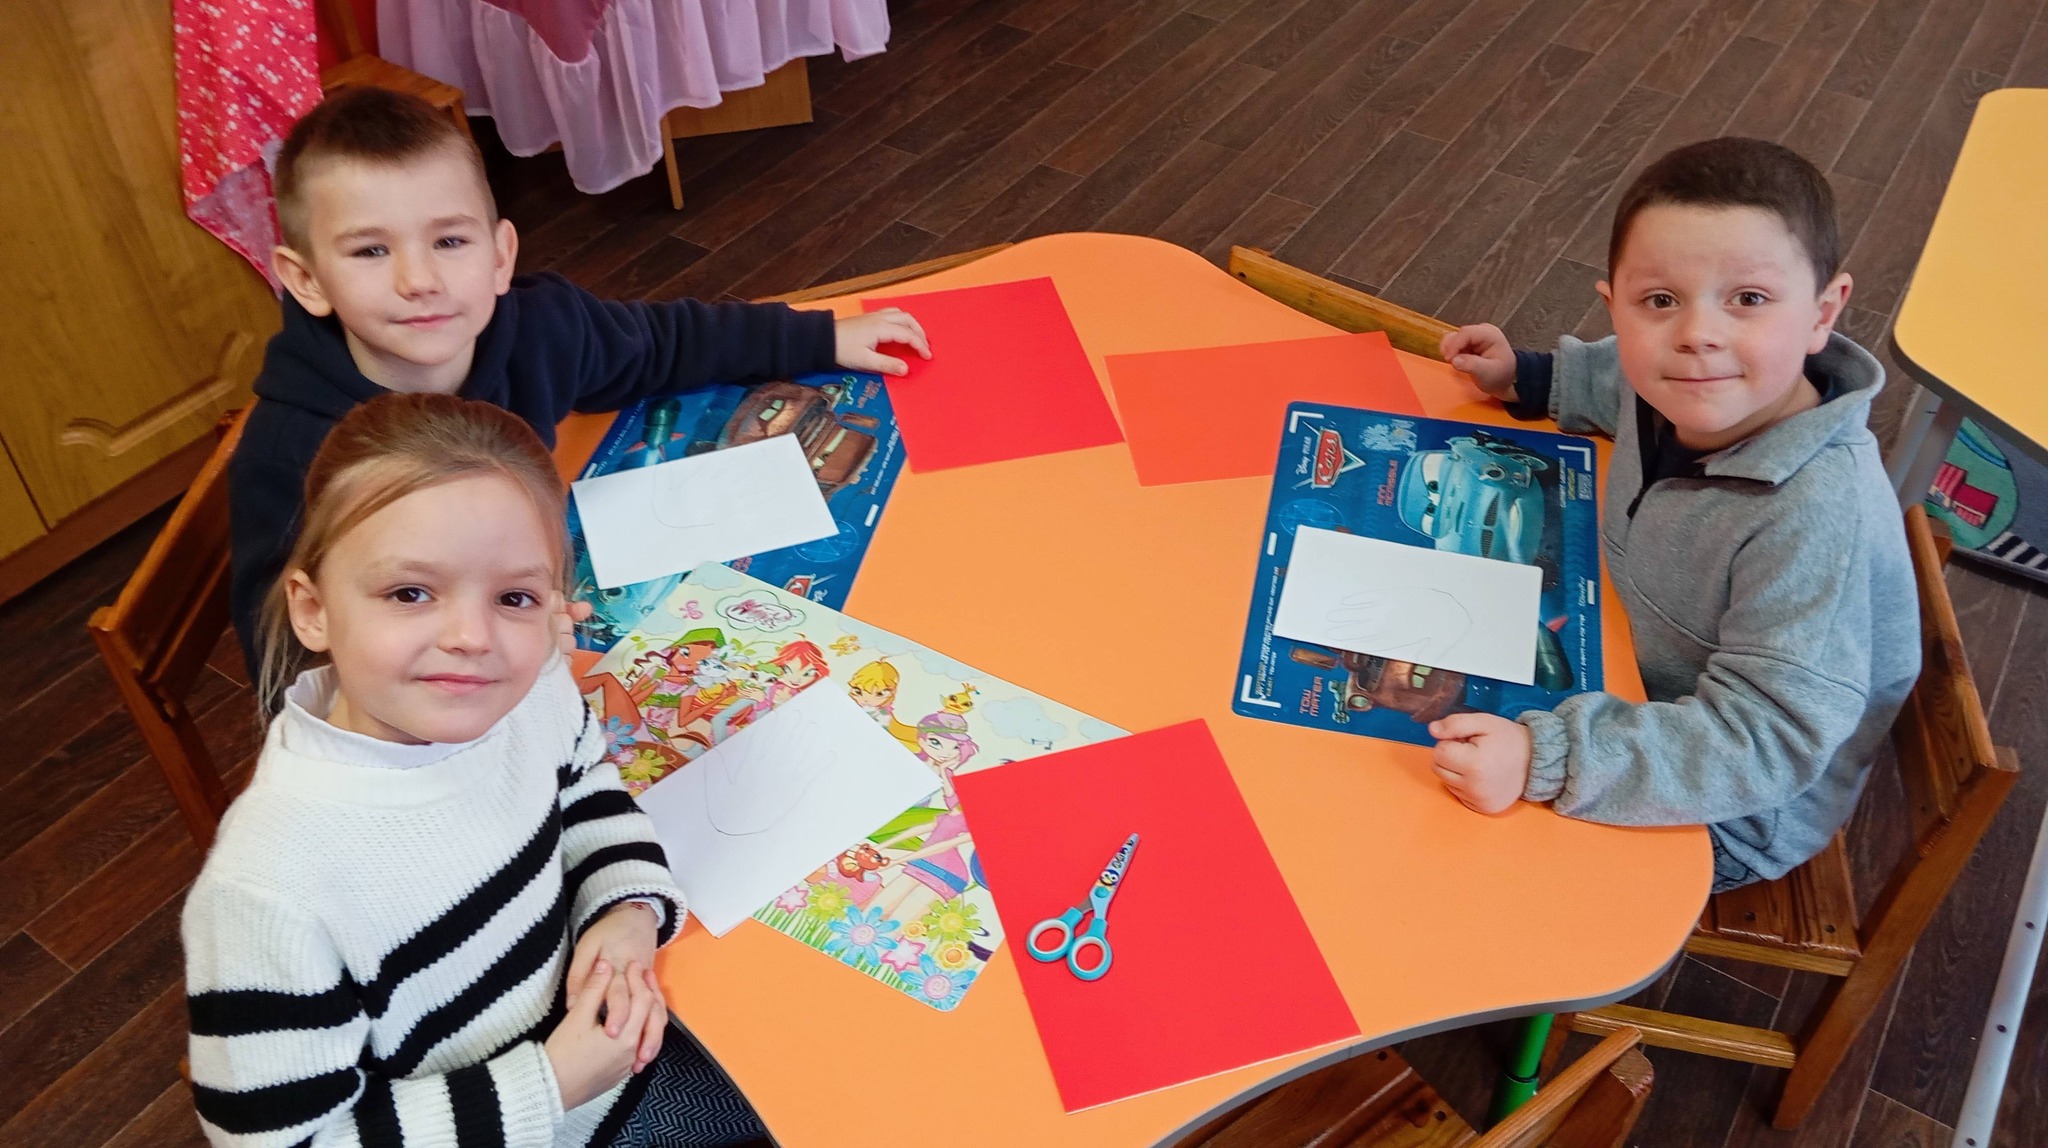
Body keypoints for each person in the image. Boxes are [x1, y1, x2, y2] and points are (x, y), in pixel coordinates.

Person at [184, 393, 762, 1147]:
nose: (472, 637)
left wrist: (625, 909)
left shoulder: (528, 686)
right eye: (410, 593)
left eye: (514, 597)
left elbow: (583, 783)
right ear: (312, 609)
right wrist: (551, 1084)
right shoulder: (267, 892)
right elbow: (284, 1143)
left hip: (620, 1051)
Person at [229, 85, 931, 680]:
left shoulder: (542, 326)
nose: (419, 280)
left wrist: (816, 338)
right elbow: (286, 650)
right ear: (306, 280)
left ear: (500, 256)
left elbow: (664, 342)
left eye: (449, 241)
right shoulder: (297, 453)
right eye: (371, 251)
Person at [1428, 138, 1919, 892]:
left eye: (1748, 299)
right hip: (1622, 672)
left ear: (1823, 314)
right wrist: (1529, 375)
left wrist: (1547, 760)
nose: (1697, 335)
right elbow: (1614, 377)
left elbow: (1763, 744)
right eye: (1660, 300)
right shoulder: (1679, 379)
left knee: (1442, 859)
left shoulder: (1818, 516)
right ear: (1615, 306)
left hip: (1726, 812)